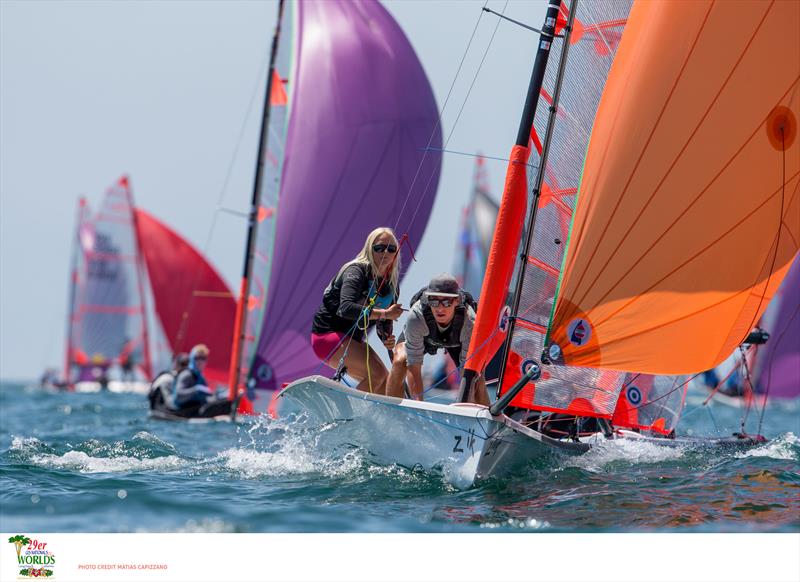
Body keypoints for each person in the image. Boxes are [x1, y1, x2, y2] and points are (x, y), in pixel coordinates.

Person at [311, 227, 403, 394]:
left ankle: (370, 419)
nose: (386, 253)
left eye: (391, 249)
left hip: (352, 341)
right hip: (327, 336)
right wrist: (385, 313)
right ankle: (345, 416)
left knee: (385, 382)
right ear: (370, 249)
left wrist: (386, 338)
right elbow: (345, 308)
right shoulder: (356, 271)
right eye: (379, 248)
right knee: (376, 374)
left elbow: (384, 322)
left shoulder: (391, 285)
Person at [386, 273, 489, 405]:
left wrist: (463, 413)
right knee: (400, 360)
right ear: (428, 301)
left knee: (476, 378)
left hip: (457, 340)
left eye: (446, 302)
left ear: (456, 301)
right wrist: (418, 407)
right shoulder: (416, 316)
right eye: (434, 301)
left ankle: (486, 422)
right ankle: (391, 412)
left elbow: (467, 375)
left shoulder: (469, 322)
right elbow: (414, 368)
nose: (440, 308)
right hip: (425, 336)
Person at [172, 344, 214, 412]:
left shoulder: (200, 377)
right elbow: (178, 396)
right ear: (192, 359)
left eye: (203, 358)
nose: (200, 361)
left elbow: (208, 397)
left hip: (196, 409)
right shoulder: (186, 375)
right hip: (183, 411)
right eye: (197, 358)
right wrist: (195, 390)